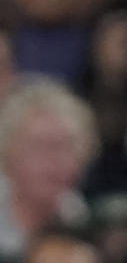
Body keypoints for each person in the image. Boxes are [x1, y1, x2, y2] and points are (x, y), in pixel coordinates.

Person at [0, 78, 99, 261]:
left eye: (68, 146)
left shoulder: (81, 220)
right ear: (7, 152)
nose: (57, 161)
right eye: (41, 146)